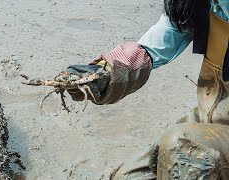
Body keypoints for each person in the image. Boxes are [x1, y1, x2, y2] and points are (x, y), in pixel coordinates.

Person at [61, 0, 229, 179]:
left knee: (183, 148)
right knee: (127, 176)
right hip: (212, 111)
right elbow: (168, 33)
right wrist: (107, 72)